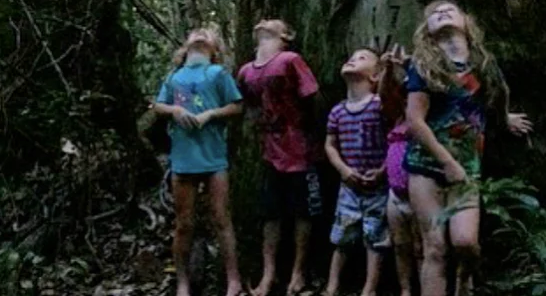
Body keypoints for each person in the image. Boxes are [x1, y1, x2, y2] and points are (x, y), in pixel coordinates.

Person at [405, 1, 532, 296]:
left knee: (465, 243)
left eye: (449, 9)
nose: (442, 12)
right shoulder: (424, 66)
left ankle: (464, 279)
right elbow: (414, 120)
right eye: (434, 14)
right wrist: (447, 162)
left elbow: (499, 92)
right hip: (426, 165)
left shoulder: (483, 63)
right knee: (435, 247)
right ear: (427, 30)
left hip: (468, 165)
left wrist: (504, 118)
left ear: (466, 21)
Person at [153, 27, 245, 296]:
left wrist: (210, 114)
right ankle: (182, 283)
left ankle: (234, 280)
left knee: (221, 218)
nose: (201, 34)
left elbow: (237, 105)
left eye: (207, 34)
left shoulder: (218, 73)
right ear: (186, 46)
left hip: (214, 157)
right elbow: (158, 105)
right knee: (184, 223)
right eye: (195, 33)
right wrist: (175, 110)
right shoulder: (174, 76)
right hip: (183, 159)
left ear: (214, 49)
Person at [238, 19, 322, 296]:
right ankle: (269, 274)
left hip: (300, 151)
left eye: (272, 22)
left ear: (286, 35)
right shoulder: (246, 71)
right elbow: (248, 106)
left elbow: (313, 99)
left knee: (303, 212)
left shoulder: (290, 60)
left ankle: (298, 272)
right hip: (270, 154)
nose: (263, 21)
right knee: (270, 214)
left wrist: (316, 138)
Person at [324, 48, 388, 296]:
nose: (352, 60)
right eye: (351, 57)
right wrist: (343, 170)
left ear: (375, 76)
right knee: (341, 237)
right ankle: (332, 287)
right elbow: (330, 145)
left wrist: (383, 171)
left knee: (375, 238)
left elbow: (394, 139)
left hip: (378, 185)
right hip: (349, 186)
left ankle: (369, 289)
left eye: (362, 58)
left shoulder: (380, 105)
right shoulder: (338, 111)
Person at [379, 46, 419, 296]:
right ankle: (405, 289)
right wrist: (387, 70)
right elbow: (386, 97)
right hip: (395, 194)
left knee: (420, 246)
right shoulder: (397, 118)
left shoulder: (425, 122)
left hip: (420, 193)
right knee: (400, 244)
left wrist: (410, 67)